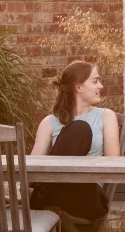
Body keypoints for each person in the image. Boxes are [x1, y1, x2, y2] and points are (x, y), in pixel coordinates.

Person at [31, 61, 120, 221]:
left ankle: (53, 191)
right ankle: (52, 191)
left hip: (85, 196)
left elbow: (113, 165)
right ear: (78, 87)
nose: (101, 86)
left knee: (80, 128)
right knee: (79, 128)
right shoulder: (49, 122)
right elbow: (32, 171)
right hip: (50, 198)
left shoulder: (106, 116)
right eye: (95, 81)